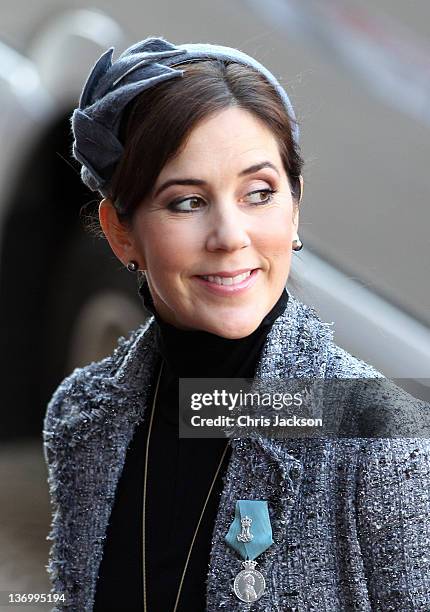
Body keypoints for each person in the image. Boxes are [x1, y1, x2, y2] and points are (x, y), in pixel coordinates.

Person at [43, 36, 430, 612]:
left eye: (259, 193)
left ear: (294, 205)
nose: (230, 237)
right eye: (187, 202)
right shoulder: (81, 417)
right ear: (122, 233)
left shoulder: (380, 441)